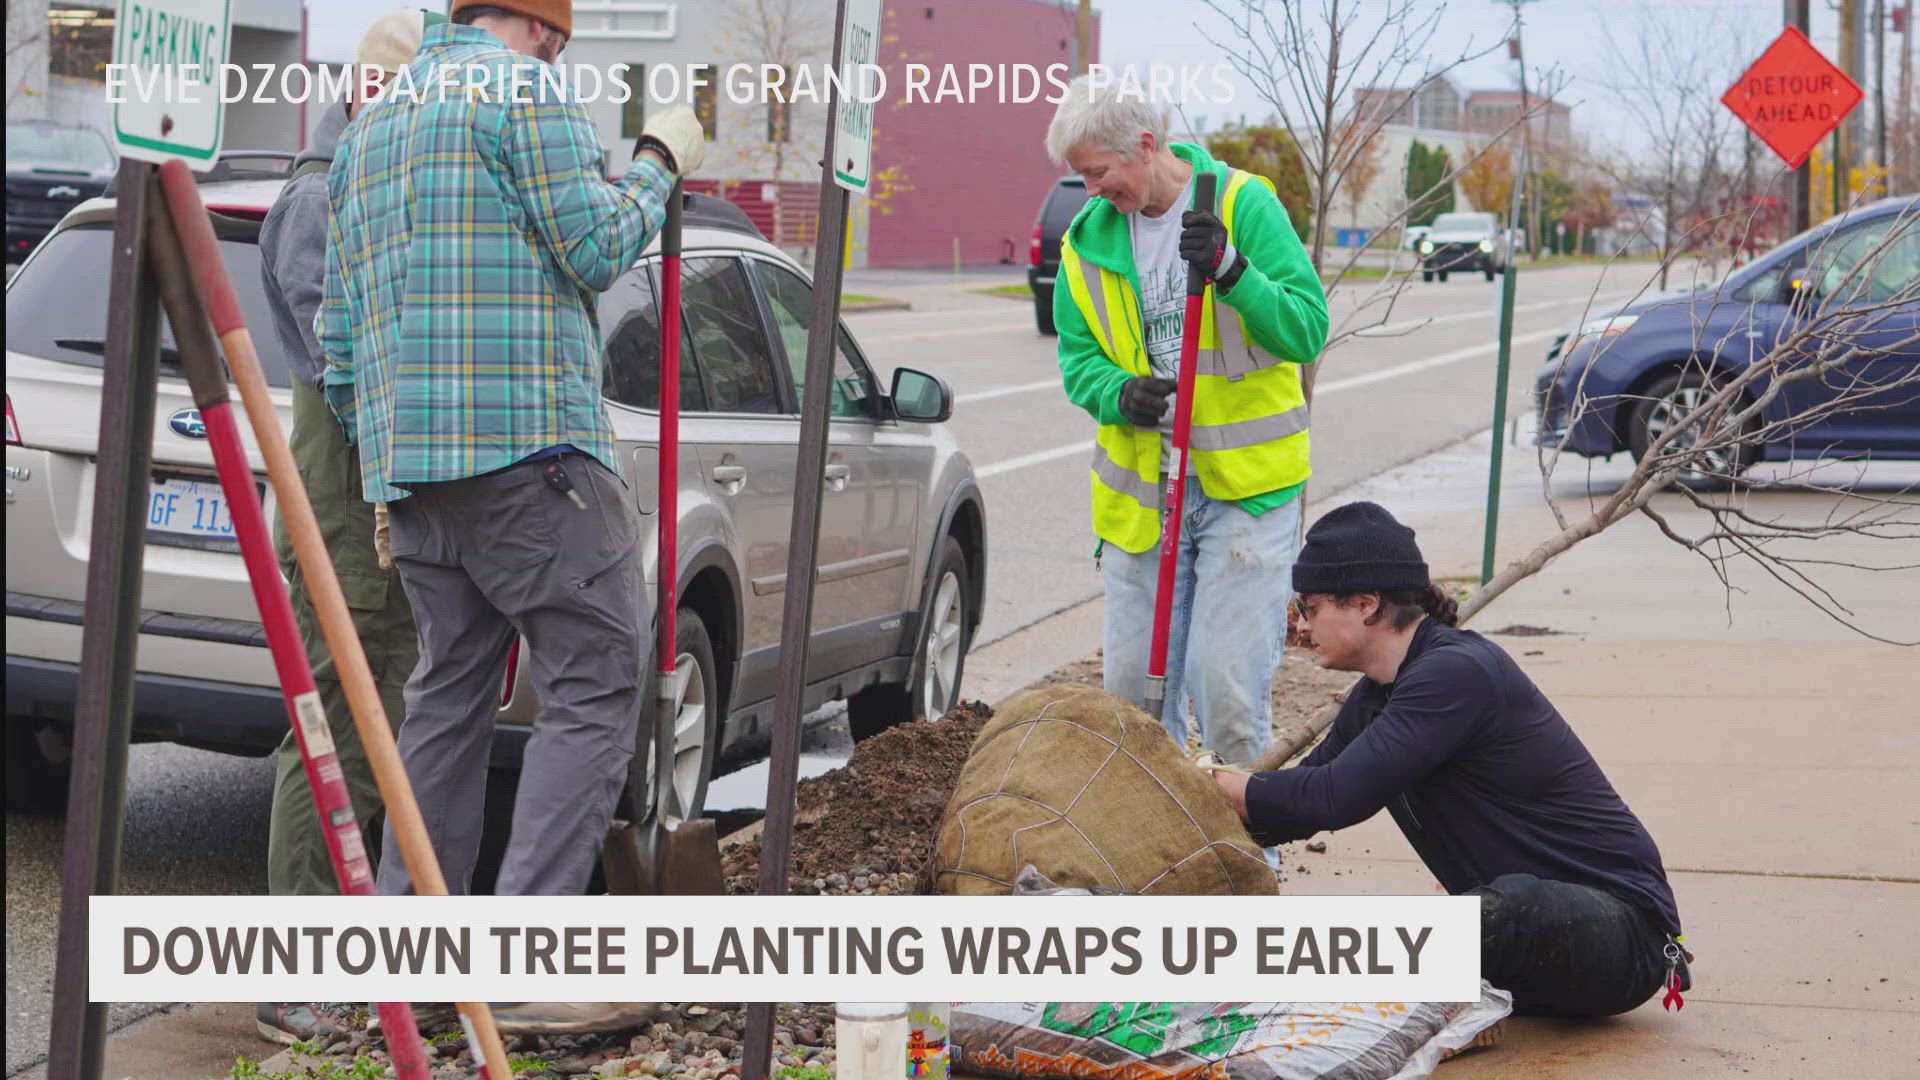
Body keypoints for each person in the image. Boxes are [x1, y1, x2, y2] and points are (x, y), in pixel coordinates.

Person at [1212, 501, 1692, 1017]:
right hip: (1523, 936)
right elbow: (1299, 800)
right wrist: (1185, 820)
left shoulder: (1456, 674)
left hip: (1621, 935)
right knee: (1482, 920)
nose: (1302, 626)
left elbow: (1333, 798)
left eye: (1309, 606)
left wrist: (1213, 782)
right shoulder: (1378, 694)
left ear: (1367, 604)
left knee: (1500, 916)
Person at [1044, 75, 1328, 768]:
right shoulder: (1087, 243)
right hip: (1147, 498)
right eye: (1080, 177)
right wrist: (1120, 394)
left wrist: (1233, 269)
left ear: (1145, 145)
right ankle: (1156, 859)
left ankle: (1245, 857)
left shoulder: (1241, 204)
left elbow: (1306, 329)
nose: (1091, 190)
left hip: (1245, 492)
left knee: (1225, 691)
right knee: (1133, 697)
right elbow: (1080, 361)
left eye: (1099, 172)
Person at [253, 8, 443, 1045]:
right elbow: (353, 360)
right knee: (334, 728)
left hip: (374, 498)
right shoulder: (325, 199)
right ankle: (295, 972)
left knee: (372, 732)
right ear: (374, 96)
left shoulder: (366, 187)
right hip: (345, 498)